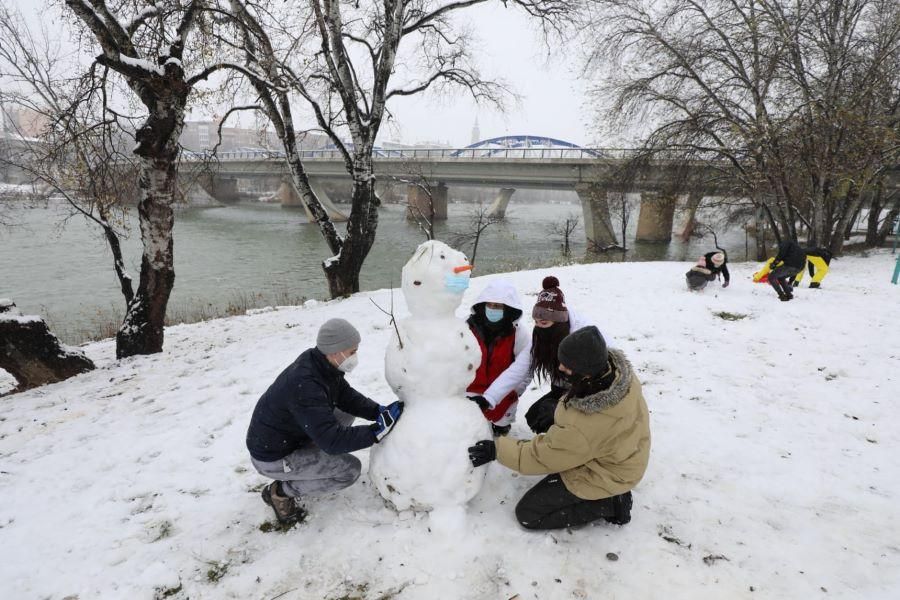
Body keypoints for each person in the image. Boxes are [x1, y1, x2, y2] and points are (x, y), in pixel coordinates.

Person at [467, 326, 651, 530]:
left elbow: (543, 457)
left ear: (586, 373)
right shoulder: (618, 376)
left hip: (607, 473)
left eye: (567, 366)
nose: (560, 368)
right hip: (624, 453)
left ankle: (611, 503)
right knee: (544, 416)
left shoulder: (584, 426)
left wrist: (497, 450)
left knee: (529, 514)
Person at [246, 318, 404, 525]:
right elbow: (333, 442)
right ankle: (280, 492)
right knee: (349, 471)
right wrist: (375, 432)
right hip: (274, 457)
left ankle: (312, 458)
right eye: (352, 352)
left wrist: (377, 411)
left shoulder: (320, 364)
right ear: (334, 351)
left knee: (344, 412)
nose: (355, 356)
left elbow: (345, 396)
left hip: (293, 436)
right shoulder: (306, 384)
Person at [465, 279, 531, 436]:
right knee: (468, 426)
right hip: (471, 390)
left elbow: (526, 368)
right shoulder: (466, 328)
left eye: (498, 306)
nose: (492, 309)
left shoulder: (519, 334)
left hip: (503, 393)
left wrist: (515, 391)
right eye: (489, 305)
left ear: (507, 308)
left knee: (500, 425)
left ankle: (502, 425)